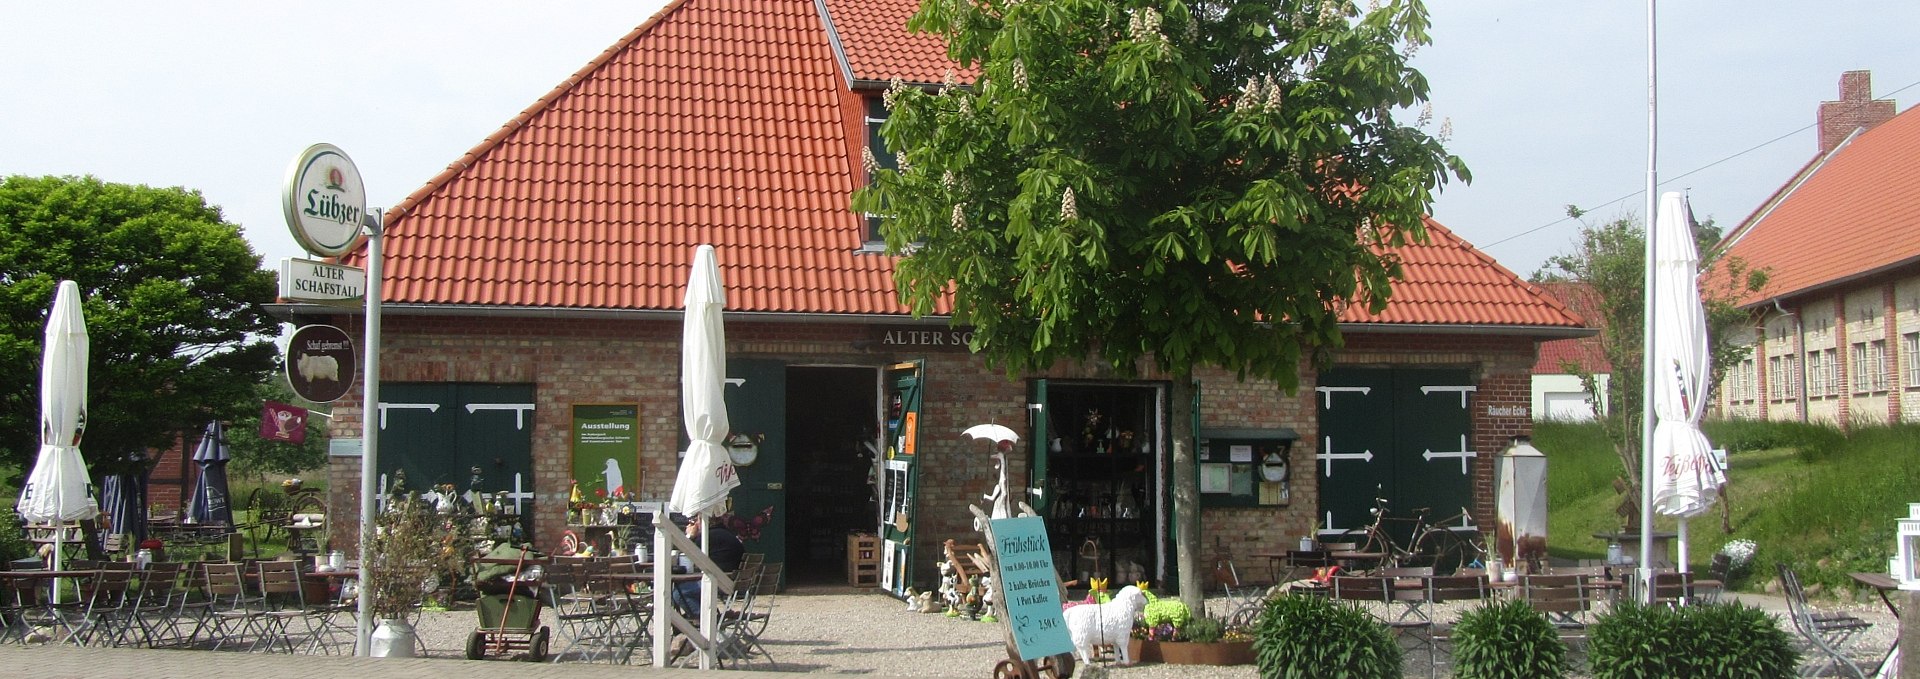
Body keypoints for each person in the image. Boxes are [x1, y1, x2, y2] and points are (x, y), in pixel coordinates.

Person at [671, 517, 745, 618]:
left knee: (679, 592)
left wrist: (690, 535)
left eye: (695, 521)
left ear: (703, 522)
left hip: (720, 584)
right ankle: (702, 617)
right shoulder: (726, 534)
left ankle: (706, 619)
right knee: (686, 589)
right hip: (733, 581)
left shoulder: (708, 537)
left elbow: (685, 552)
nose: (694, 525)